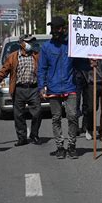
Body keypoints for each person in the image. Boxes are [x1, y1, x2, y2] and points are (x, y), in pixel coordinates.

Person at [0, 34, 42, 146]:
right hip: (19, 89)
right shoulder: (13, 57)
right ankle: (22, 138)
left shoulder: (36, 56)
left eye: (31, 42)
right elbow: (4, 71)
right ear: (21, 43)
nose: (30, 44)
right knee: (18, 115)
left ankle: (34, 134)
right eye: (28, 42)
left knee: (37, 113)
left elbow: (44, 70)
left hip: (33, 89)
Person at [38, 17, 79, 159]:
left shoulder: (72, 45)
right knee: (56, 118)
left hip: (70, 86)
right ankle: (60, 146)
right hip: (53, 87)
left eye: (57, 28)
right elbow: (42, 68)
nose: (55, 31)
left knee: (72, 116)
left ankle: (72, 145)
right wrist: (41, 87)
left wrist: (91, 63)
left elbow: (81, 63)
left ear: (63, 29)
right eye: (53, 28)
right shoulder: (46, 47)